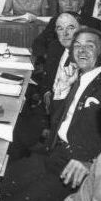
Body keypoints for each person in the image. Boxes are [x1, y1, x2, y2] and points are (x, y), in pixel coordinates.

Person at [0, 27, 101, 201]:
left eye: (90, 46)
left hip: (74, 171)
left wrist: (92, 163)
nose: (82, 50)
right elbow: (59, 124)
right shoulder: (80, 78)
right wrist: (60, 93)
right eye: (78, 45)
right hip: (52, 156)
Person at [9, 12, 81, 160]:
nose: (65, 33)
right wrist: (47, 93)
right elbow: (47, 80)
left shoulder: (82, 56)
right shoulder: (56, 47)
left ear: (81, 30)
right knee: (11, 120)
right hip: (48, 106)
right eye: (60, 29)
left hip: (65, 113)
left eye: (71, 28)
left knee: (16, 134)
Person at [30, 0, 96, 60]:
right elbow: (39, 42)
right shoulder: (55, 20)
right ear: (59, 3)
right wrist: (48, 58)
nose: (68, 3)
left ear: (81, 2)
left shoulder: (94, 24)